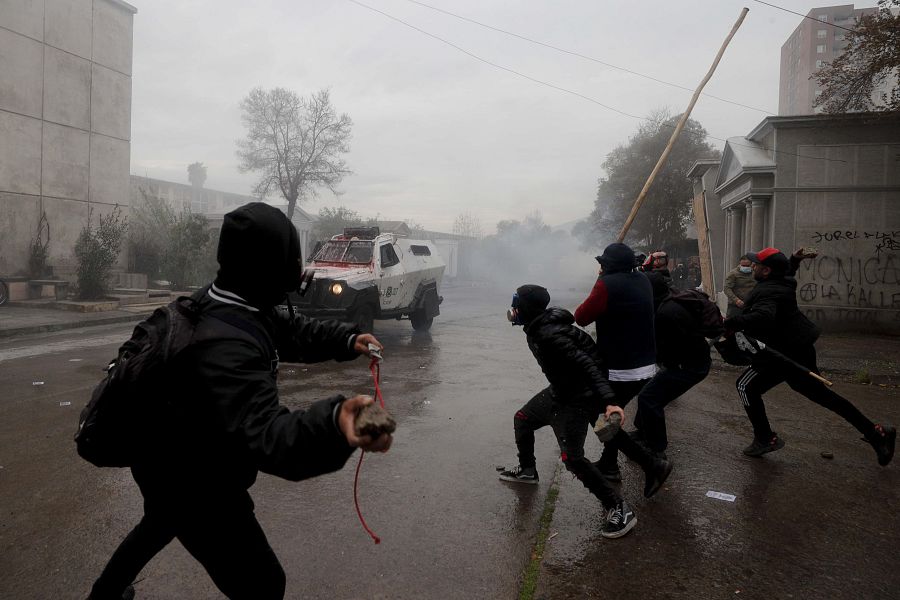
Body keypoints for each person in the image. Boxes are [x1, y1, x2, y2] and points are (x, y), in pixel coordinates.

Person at [88, 203, 392, 600]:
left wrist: (345, 339)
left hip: (165, 455)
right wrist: (336, 422)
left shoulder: (227, 300)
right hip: (195, 478)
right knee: (263, 584)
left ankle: (103, 594)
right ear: (275, 266)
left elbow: (287, 329)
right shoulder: (224, 347)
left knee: (161, 520)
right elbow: (268, 437)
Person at [499, 285, 671, 539]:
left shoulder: (550, 335)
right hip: (562, 391)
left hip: (576, 398)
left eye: (517, 304)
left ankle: (618, 508)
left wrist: (609, 401)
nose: (513, 310)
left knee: (573, 458)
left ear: (527, 308)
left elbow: (587, 364)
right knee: (523, 419)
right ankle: (654, 465)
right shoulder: (540, 326)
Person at [725, 247, 895, 465]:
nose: (752, 266)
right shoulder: (782, 280)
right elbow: (786, 271)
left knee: (745, 386)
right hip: (796, 349)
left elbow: (764, 316)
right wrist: (795, 259)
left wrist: (733, 322)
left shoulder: (768, 291)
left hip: (782, 354)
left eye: (756, 264)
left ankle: (765, 438)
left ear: (766, 271)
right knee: (823, 396)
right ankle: (877, 433)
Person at [574, 243, 658, 481]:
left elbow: (581, 317)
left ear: (607, 266)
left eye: (602, 264)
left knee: (602, 415)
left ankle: (649, 464)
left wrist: (598, 284)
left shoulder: (606, 285)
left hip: (620, 367)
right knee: (611, 416)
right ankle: (609, 464)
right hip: (646, 364)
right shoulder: (643, 280)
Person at [633, 272, 712, 458]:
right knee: (650, 394)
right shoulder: (672, 298)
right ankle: (642, 431)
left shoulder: (665, 313)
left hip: (688, 366)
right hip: (692, 360)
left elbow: (663, 347)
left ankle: (656, 449)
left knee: (649, 398)